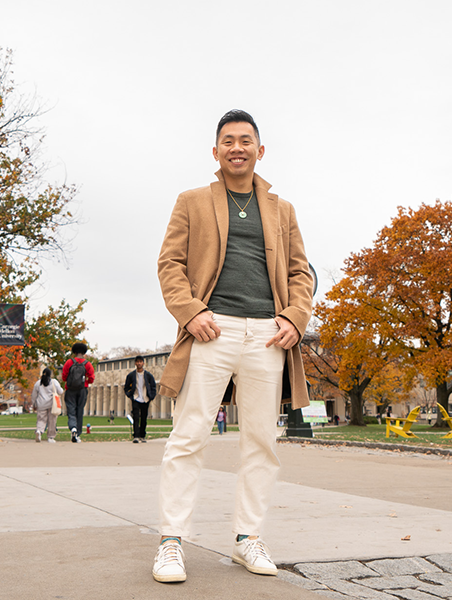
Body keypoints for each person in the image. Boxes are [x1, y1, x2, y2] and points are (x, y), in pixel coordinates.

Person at [153, 109, 313, 583]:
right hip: (212, 329)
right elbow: (170, 265)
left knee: (262, 440)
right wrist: (192, 311)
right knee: (189, 436)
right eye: (228, 141)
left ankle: (248, 538)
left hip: (268, 333)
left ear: (260, 150)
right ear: (217, 151)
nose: (237, 147)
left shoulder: (282, 210)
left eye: (246, 140)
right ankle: (170, 541)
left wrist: (294, 319)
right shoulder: (192, 201)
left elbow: (301, 273)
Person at [61, 342, 95, 443]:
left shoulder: (69, 363)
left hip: (70, 389)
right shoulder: (87, 364)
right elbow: (92, 378)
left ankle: (73, 428)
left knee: (71, 410)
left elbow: (64, 377)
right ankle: (78, 433)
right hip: (82, 389)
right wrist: (86, 382)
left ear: (74, 352)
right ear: (84, 352)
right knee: (79, 411)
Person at [124, 355, 157, 443]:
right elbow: (126, 387)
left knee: (143, 418)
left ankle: (142, 435)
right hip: (136, 398)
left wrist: (151, 396)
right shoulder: (131, 375)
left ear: (143, 363)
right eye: (137, 362)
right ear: (135, 363)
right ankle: (136, 436)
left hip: (145, 399)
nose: (139, 363)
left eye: (140, 362)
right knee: (136, 417)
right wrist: (130, 395)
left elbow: (153, 386)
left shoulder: (148, 375)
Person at [31, 367, 63, 443]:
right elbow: (60, 391)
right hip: (52, 404)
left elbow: (34, 395)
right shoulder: (54, 382)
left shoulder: (38, 383)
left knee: (41, 419)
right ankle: (51, 437)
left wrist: (34, 404)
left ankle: (39, 431)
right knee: (52, 421)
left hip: (41, 404)